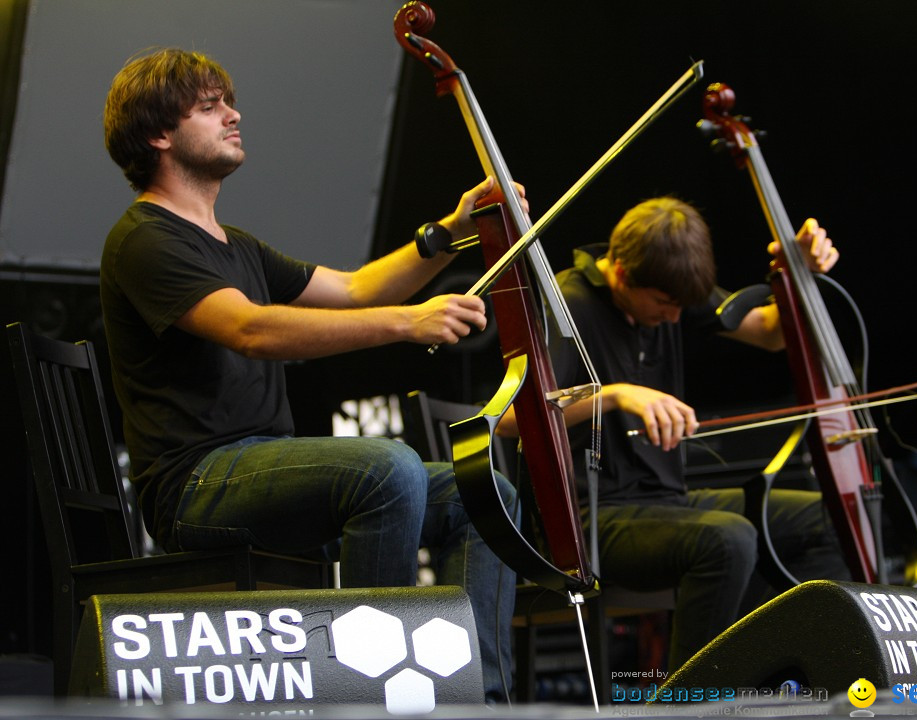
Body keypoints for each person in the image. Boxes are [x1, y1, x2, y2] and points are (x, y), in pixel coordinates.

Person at [99, 48, 516, 702]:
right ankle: (369, 698)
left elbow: (353, 288)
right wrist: (405, 323)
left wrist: (449, 234)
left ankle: (479, 698)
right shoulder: (145, 238)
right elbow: (251, 330)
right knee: (390, 469)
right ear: (158, 134)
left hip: (261, 466)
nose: (234, 115)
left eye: (228, 102)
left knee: (483, 491)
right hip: (196, 484)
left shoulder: (235, 244)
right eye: (209, 107)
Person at [499, 196, 849, 673]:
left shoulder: (668, 283)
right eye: (664, 305)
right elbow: (511, 419)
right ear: (621, 272)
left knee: (828, 517)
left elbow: (769, 332)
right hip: (590, 520)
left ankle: (775, 668)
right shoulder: (569, 302)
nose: (675, 318)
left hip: (667, 504)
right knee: (730, 541)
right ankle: (690, 702)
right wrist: (616, 394)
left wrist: (800, 275)